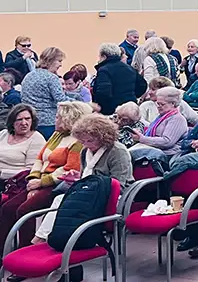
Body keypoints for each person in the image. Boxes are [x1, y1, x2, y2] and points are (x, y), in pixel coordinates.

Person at [31, 113, 134, 245]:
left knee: (63, 200)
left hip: (116, 195)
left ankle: (42, 240)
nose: (86, 144)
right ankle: (51, 239)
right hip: (91, 192)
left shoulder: (118, 151)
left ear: (104, 137)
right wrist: (76, 180)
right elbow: (86, 178)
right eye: (82, 141)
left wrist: (87, 187)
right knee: (60, 199)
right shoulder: (85, 151)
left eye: (90, 141)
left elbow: (119, 184)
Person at [0, 101, 91, 248]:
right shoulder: (57, 135)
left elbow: (69, 169)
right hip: (38, 180)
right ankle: (3, 252)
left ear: (68, 119)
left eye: (57, 117)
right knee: (8, 208)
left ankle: (27, 251)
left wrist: (41, 183)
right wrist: (35, 178)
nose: (54, 120)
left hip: (56, 185)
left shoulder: (77, 142)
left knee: (24, 210)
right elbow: (39, 159)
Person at [21, 47, 78, 138]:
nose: (60, 65)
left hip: (31, 121)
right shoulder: (51, 77)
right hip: (48, 123)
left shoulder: (29, 75)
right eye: (59, 61)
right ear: (50, 60)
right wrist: (80, 104)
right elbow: (61, 100)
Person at [91, 42, 146, 116]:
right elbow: (142, 85)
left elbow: (103, 92)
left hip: (111, 111)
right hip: (130, 109)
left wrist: (102, 108)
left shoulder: (104, 70)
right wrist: (132, 96)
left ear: (104, 56)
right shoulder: (129, 68)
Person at [132, 87, 188, 157]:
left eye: (162, 104)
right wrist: (140, 134)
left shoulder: (177, 119)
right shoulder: (162, 116)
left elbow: (167, 142)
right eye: (157, 103)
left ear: (173, 103)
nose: (158, 106)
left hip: (167, 154)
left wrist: (142, 138)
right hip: (154, 150)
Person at [0, 104, 45, 181]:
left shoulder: (37, 139)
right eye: (19, 119)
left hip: (14, 181)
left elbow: (30, 171)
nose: (24, 123)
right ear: (12, 122)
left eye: (27, 119)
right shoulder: (3, 134)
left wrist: (3, 173)